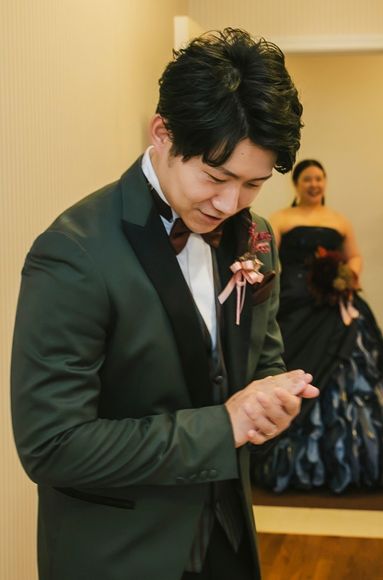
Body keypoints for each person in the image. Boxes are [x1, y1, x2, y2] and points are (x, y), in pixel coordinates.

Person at [10, 29, 318, 580]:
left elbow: (261, 364)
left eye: (252, 184)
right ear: (162, 133)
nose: (230, 203)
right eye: (216, 176)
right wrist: (223, 426)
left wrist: (272, 401)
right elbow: (52, 447)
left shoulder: (256, 238)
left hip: (229, 540)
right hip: (120, 555)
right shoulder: (74, 252)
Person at [251, 159, 383, 494]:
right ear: (296, 184)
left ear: (324, 183)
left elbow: (355, 256)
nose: (314, 184)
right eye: (307, 179)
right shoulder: (281, 219)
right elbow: (269, 260)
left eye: (319, 178)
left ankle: (357, 460)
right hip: (296, 304)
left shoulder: (338, 220)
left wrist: (347, 275)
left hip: (336, 304)